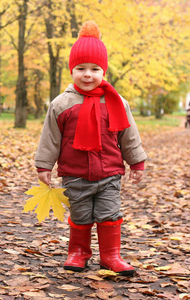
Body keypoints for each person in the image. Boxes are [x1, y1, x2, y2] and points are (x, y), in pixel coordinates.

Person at [34, 21, 147, 276]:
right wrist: (44, 165)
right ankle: (78, 253)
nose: (88, 74)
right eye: (81, 68)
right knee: (81, 214)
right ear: (71, 71)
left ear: (103, 71)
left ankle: (110, 256)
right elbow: (50, 137)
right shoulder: (61, 103)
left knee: (109, 214)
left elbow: (129, 136)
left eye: (95, 69)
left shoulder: (117, 102)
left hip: (109, 174)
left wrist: (136, 162)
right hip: (75, 175)